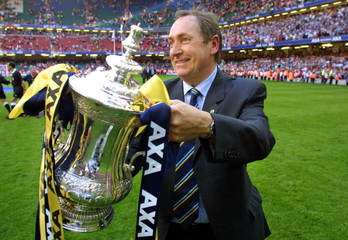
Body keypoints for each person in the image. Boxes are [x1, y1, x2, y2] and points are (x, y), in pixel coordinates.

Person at [132, 10, 275, 240]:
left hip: (226, 227)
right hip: (167, 226)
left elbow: (260, 140)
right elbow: (134, 149)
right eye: (170, 43)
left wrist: (208, 125)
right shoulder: (158, 93)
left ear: (213, 44)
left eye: (184, 40)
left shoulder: (246, 90)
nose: (174, 51)